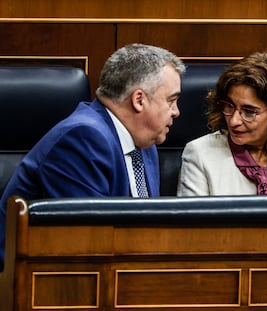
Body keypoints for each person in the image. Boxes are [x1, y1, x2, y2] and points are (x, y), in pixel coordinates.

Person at [0, 43, 185, 271]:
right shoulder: (83, 138)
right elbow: (89, 245)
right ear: (139, 100)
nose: (176, 111)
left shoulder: (145, 141)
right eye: (171, 100)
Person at [177, 52, 267, 196]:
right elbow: (193, 219)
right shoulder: (200, 153)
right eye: (229, 106)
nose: (234, 121)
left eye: (249, 112)